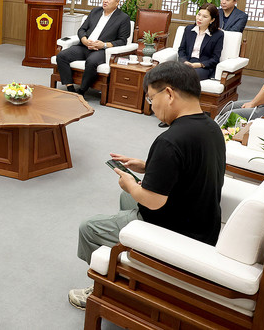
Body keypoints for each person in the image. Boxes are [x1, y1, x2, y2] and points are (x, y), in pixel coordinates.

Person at [68, 61, 226, 310]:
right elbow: (190, 168)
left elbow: (153, 201)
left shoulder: (170, 140)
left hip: (177, 231)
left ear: (169, 94)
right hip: (203, 222)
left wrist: (130, 184)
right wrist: (146, 166)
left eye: (152, 98)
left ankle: (104, 287)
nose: (151, 106)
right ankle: (131, 259)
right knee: (127, 201)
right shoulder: (211, 126)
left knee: (88, 227)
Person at [56, 0, 131, 95]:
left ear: (117, 2)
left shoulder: (123, 18)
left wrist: (103, 45)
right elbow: (82, 30)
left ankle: (82, 91)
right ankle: (70, 87)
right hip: (85, 46)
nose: (105, 1)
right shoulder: (95, 11)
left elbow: (122, 41)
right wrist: (84, 40)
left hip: (101, 50)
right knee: (61, 56)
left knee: (91, 62)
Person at [178, 3, 224, 80]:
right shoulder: (189, 29)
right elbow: (181, 50)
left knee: (188, 76)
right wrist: (185, 61)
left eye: (205, 17)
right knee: (170, 73)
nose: (199, 18)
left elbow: (215, 58)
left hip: (203, 66)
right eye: (199, 14)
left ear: (212, 20)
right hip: (187, 62)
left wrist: (199, 65)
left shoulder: (218, 34)